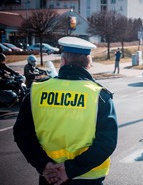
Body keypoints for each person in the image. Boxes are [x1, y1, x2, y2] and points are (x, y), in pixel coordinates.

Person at [13, 36, 118, 185]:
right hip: (87, 178)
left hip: (50, 176)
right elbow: (107, 142)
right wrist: (69, 170)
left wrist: (44, 165)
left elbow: (22, 134)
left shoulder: (36, 92)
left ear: (63, 61)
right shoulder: (100, 96)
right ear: (89, 64)